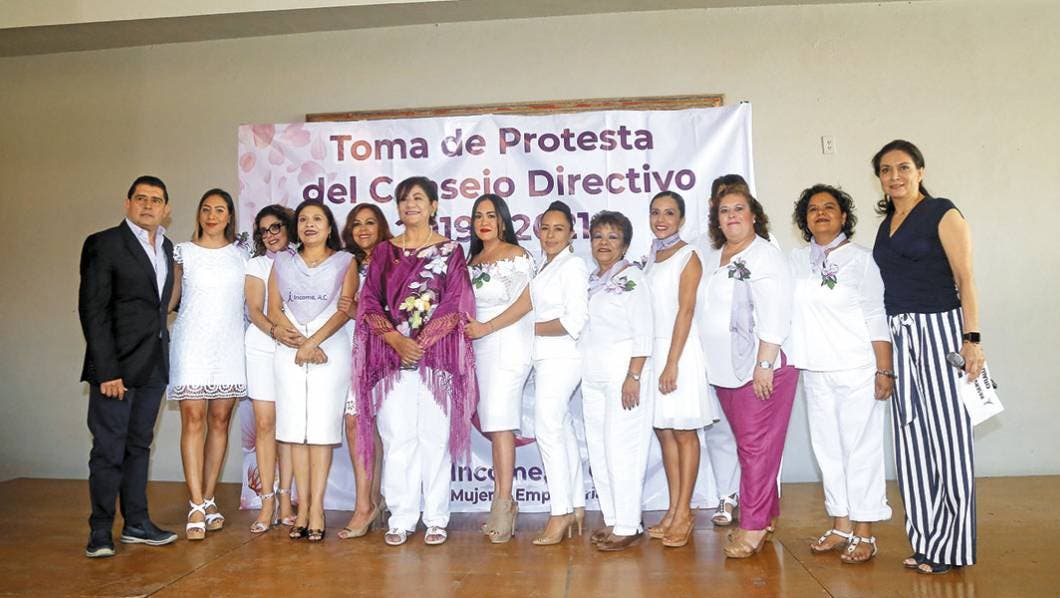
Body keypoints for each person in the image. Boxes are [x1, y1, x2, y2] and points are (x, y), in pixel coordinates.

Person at [871, 140, 983, 575]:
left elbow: (965, 278)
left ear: (919, 170)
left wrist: (972, 339)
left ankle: (953, 546)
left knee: (949, 442)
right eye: (886, 169)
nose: (894, 176)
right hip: (901, 338)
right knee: (911, 444)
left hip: (942, 333)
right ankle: (927, 543)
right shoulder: (886, 225)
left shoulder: (942, 212)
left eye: (903, 167)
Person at [352, 177, 477, 547]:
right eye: (404, 199)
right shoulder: (383, 252)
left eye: (419, 198)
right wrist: (396, 340)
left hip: (435, 359)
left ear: (434, 205)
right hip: (392, 360)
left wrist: (420, 344)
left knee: (435, 438)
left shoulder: (450, 251)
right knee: (397, 438)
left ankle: (436, 517)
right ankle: (402, 517)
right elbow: (369, 302)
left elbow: (456, 302)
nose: (411, 205)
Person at [788, 184, 893, 563]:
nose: (821, 213)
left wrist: (884, 369)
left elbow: (876, 315)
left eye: (829, 207)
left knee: (860, 451)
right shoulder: (796, 261)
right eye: (813, 209)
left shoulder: (861, 260)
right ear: (805, 220)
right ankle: (841, 524)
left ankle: (865, 531)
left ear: (843, 216)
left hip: (857, 369)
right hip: (815, 370)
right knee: (828, 451)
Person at [79, 175, 179, 557]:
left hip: (154, 365)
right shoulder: (103, 244)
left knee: (139, 446)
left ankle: (136, 523)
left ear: (166, 209)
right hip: (116, 369)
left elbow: (158, 306)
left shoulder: (166, 247)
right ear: (127, 203)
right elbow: (93, 310)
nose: (148, 205)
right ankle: (101, 530)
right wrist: (107, 371)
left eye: (156, 200)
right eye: (141, 198)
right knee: (109, 449)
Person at [699, 186, 795, 558]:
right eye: (724, 210)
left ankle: (753, 526)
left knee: (755, 449)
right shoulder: (715, 257)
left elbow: (776, 313)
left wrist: (764, 364)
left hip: (760, 369)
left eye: (739, 208)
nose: (732, 216)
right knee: (752, 447)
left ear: (754, 215)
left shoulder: (765, 256)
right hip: (724, 371)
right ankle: (766, 516)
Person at [268, 200, 358, 542]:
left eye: (317, 219)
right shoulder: (282, 261)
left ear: (329, 226)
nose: (309, 225)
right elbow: (274, 308)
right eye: (303, 219)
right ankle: (302, 508)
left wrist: (313, 342)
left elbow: (344, 309)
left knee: (320, 431)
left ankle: (317, 508)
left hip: (329, 348)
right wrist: (299, 341)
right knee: (294, 431)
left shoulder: (345, 261)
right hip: (290, 348)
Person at [168, 188, 248, 540]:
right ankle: (196, 504)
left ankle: (210, 497)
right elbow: (169, 300)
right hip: (191, 344)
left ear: (229, 216)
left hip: (229, 344)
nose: (212, 216)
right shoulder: (182, 252)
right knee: (193, 419)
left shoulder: (242, 255)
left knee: (220, 421)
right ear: (198, 214)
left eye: (219, 210)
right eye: (206, 209)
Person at [642, 191, 714, 549]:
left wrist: (672, 363)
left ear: (681, 219)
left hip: (679, 352)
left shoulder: (689, 256)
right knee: (664, 431)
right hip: (655, 351)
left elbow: (685, 312)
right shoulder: (651, 256)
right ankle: (672, 510)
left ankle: (685, 513)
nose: (661, 219)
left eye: (669, 213)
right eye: (656, 212)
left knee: (684, 432)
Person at [579, 211, 654, 551]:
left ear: (624, 244)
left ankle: (628, 524)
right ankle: (612, 518)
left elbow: (644, 330)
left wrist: (633, 375)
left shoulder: (632, 277)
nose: (604, 243)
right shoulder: (592, 279)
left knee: (622, 450)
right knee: (599, 450)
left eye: (612, 237)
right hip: (593, 376)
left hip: (624, 375)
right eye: (598, 236)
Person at [463, 194, 535, 544]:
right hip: (479, 347)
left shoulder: (516, 255)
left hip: (508, 344)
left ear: (503, 220)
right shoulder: (471, 260)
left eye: (491, 215)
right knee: (493, 422)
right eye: (478, 216)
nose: (484, 221)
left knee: (501, 423)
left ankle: (504, 504)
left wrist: (488, 328)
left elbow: (528, 301)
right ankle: (502, 500)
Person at [692, 174, 746, 527]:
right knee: (719, 429)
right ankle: (727, 496)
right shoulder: (700, 246)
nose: (729, 212)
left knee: (753, 435)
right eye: (721, 202)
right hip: (707, 355)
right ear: (713, 206)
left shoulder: (762, 245)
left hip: (748, 356)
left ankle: (760, 502)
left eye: (736, 203)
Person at [337, 203, 392, 539]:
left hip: (380, 350)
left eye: (370, 222)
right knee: (358, 423)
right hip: (345, 348)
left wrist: (357, 311)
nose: (363, 229)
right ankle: (371, 500)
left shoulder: (394, 261)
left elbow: (396, 313)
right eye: (356, 223)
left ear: (381, 226)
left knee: (368, 424)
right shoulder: (344, 262)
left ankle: (365, 505)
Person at [244, 204, 298, 533]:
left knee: (289, 426)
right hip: (262, 347)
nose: (270, 235)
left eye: (275, 227)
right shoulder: (256, 264)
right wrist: (276, 332)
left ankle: (286, 500)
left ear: (288, 227)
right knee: (265, 424)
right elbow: (254, 310)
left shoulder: (304, 261)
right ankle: (266, 502)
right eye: (263, 231)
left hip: (295, 349)